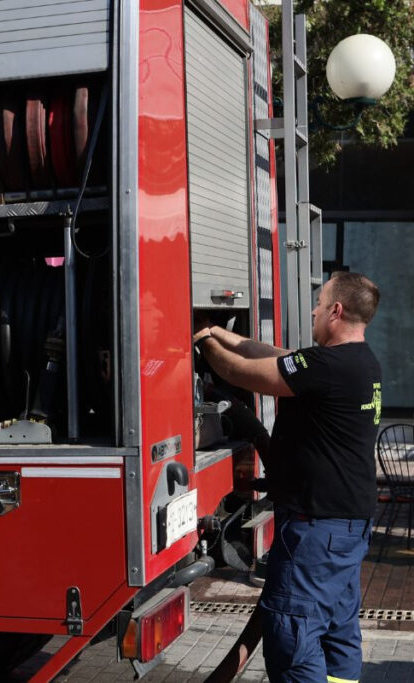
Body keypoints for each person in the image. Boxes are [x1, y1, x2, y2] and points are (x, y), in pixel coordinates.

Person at [193, 271, 381, 683]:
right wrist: (218, 331)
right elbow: (272, 353)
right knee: (337, 633)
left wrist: (201, 341)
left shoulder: (328, 367)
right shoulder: (359, 361)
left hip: (317, 532)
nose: (313, 309)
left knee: (293, 636)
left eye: (319, 302)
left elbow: (244, 372)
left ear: (336, 311)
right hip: (345, 530)